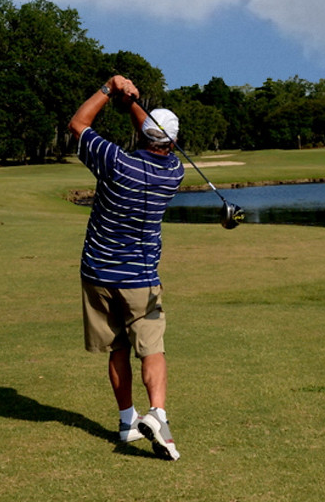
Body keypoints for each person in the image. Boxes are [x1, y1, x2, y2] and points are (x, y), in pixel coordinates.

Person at [68, 75, 185, 461]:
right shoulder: (175, 173)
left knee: (117, 347)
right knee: (152, 348)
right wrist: (133, 102)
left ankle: (126, 422)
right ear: (170, 142)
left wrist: (108, 90)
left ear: (146, 135)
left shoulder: (116, 162)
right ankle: (158, 416)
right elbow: (150, 133)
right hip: (140, 278)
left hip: (97, 273)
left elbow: (79, 125)